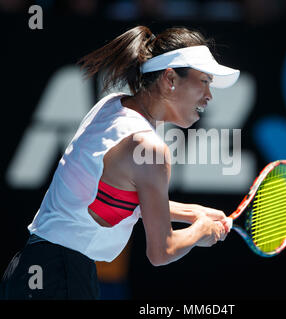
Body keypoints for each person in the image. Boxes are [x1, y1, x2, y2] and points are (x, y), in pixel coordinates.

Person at [0, 25, 240, 299]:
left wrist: (193, 212)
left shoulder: (111, 106)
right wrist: (200, 231)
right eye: (205, 81)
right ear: (170, 78)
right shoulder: (150, 149)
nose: (209, 96)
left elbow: (115, 196)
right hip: (62, 280)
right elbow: (162, 251)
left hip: (27, 271)